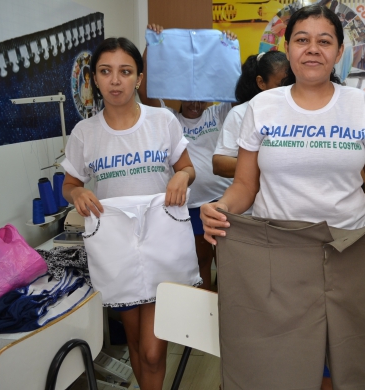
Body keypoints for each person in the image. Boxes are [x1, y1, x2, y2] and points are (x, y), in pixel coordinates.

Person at [200, 5, 365, 390]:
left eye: (324, 41)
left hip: (350, 254)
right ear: (288, 48)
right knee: (281, 362)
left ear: (338, 51)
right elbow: (245, 187)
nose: (312, 49)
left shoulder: (359, 106)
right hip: (276, 255)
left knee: (349, 360)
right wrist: (220, 208)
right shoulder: (262, 107)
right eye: (302, 40)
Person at [61, 37, 195, 390]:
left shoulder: (162, 120)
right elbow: (69, 183)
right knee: (134, 341)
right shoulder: (84, 133)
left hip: (161, 241)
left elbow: (187, 168)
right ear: (95, 78)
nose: (115, 80)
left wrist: (181, 175)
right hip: (116, 247)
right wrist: (77, 191)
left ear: (138, 77)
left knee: (152, 350)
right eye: (106, 72)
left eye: (125, 72)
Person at [139, 24, 237, 290]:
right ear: (180, 95)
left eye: (201, 98)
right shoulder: (169, 119)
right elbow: (145, 94)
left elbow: (237, 90)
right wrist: (153, 47)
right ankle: (205, 316)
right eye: (189, 98)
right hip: (189, 206)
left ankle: (228, 314)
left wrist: (227, 50)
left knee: (230, 265)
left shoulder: (218, 113)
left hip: (223, 201)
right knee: (201, 262)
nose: (195, 103)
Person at [213, 50, 289, 178]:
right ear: (261, 83)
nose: (286, 89)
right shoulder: (241, 113)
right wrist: (266, 166)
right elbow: (219, 164)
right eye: (281, 85)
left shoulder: (297, 110)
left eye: (291, 83)